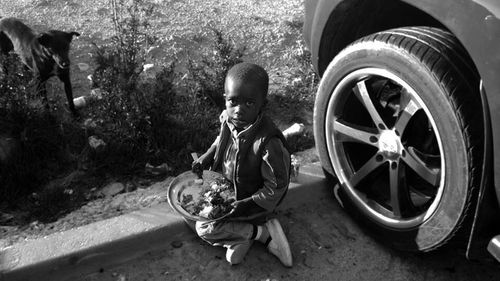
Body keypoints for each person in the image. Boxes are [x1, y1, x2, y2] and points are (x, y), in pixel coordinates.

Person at [191, 62, 293, 267]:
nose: (238, 110)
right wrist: (207, 156)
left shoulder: (267, 143)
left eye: (248, 104)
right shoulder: (229, 120)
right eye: (232, 102)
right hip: (227, 190)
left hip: (249, 203)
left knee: (203, 228)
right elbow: (220, 140)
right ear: (225, 100)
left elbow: (277, 187)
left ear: (262, 105)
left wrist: (245, 205)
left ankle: (263, 234)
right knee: (191, 210)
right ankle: (240, 238)